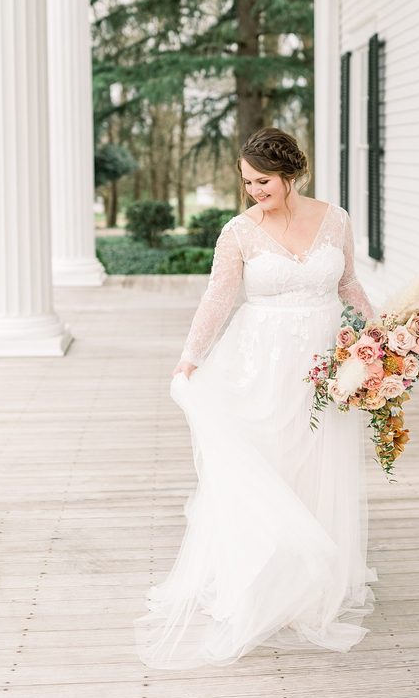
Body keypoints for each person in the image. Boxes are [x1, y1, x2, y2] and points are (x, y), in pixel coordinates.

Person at [134, 127, 378, 669]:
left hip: (324, 366)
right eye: (246, 182)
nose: (252, 191)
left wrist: (382, 337)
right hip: (259, 365)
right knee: (267, 463)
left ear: (291, 174)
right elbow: (218, 298)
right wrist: (189, 359)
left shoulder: (335, 219)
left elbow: (349, 286)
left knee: (317, 465)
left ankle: (313, 579)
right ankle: (263, 576)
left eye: (262, 181)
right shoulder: (239, 232)